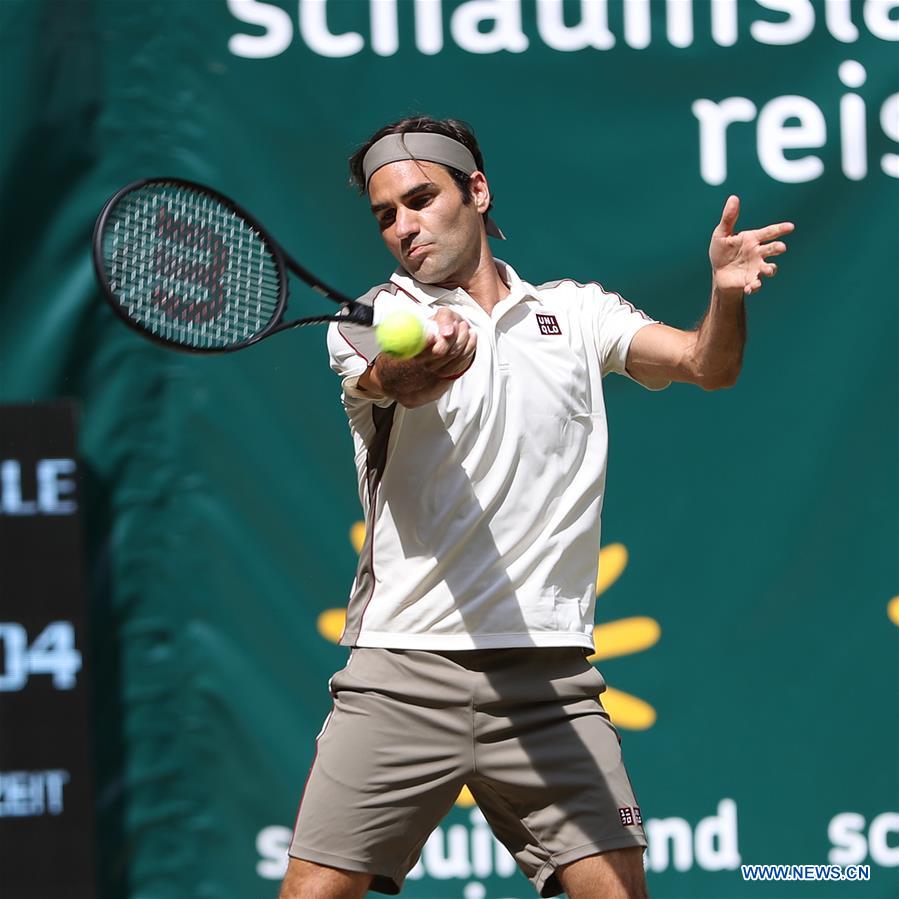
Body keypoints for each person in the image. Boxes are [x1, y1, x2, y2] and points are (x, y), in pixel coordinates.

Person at [278, 116, 793, 899]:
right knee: (315, 893)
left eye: (421, 198)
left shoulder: (578, 313)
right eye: (386, 214)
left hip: (549, 679)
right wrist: (424, 363)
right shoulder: (368, 323)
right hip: (404, 666)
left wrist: (724, 296)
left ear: (475, 191)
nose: (404, 226)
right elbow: (393, 381)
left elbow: (704, 364)